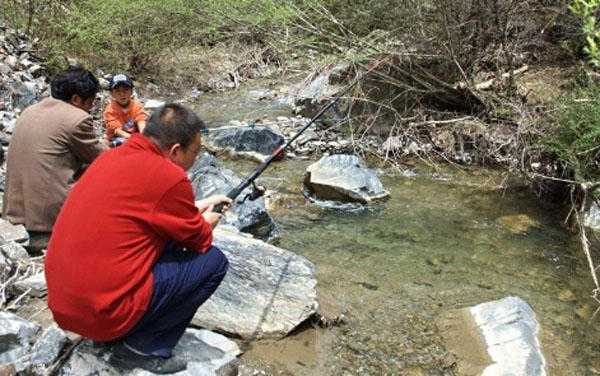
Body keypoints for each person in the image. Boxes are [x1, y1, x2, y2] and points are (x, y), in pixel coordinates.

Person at [45, 103, 232, 374]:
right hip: (101, 317)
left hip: (65, 308)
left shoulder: (111, 157)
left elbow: (145, 209)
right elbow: (199, 240)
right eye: (195, 152)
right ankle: (142, 348)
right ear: (176, 151)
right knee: (214, 262)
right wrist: (208, 221)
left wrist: (198, 205)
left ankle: (123, 329)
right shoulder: (170, 177)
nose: (196, 159)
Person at [2, 66, 107, 251]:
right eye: (90, 102)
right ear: (76, 99)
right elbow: (103, 157)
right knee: (105, 169)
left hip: (15, 218)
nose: (91, 108)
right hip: (48, 222)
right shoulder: (77, 119)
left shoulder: (30, 111)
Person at [103, 73, 147, 146]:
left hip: (133, 136)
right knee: (105, 144)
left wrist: (144, 137)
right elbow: (117, 131)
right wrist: (134, 139)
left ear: (131, 91)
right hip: (115, 137)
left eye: (126, 90)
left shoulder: (137, 106)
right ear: (111, 94)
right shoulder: (110, 110)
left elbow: (141, 121)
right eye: (117, 91)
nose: (122, 94)